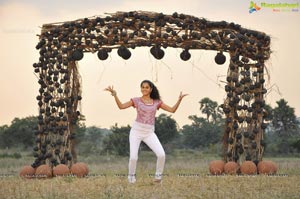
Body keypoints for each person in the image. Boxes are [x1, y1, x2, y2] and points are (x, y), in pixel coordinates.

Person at [104, 80, 188, 184]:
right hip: (136, 131)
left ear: (151, 89)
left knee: (161, 154)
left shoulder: (157, 102)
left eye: (146, 87)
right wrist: (115, 95)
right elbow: (121, 106)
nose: (144, 89)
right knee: (133, 157)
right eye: (142, 87)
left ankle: (158, 177)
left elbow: (172, 110)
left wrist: (179, 100)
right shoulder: (136, 100)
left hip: (149, 132)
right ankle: (131, 179)